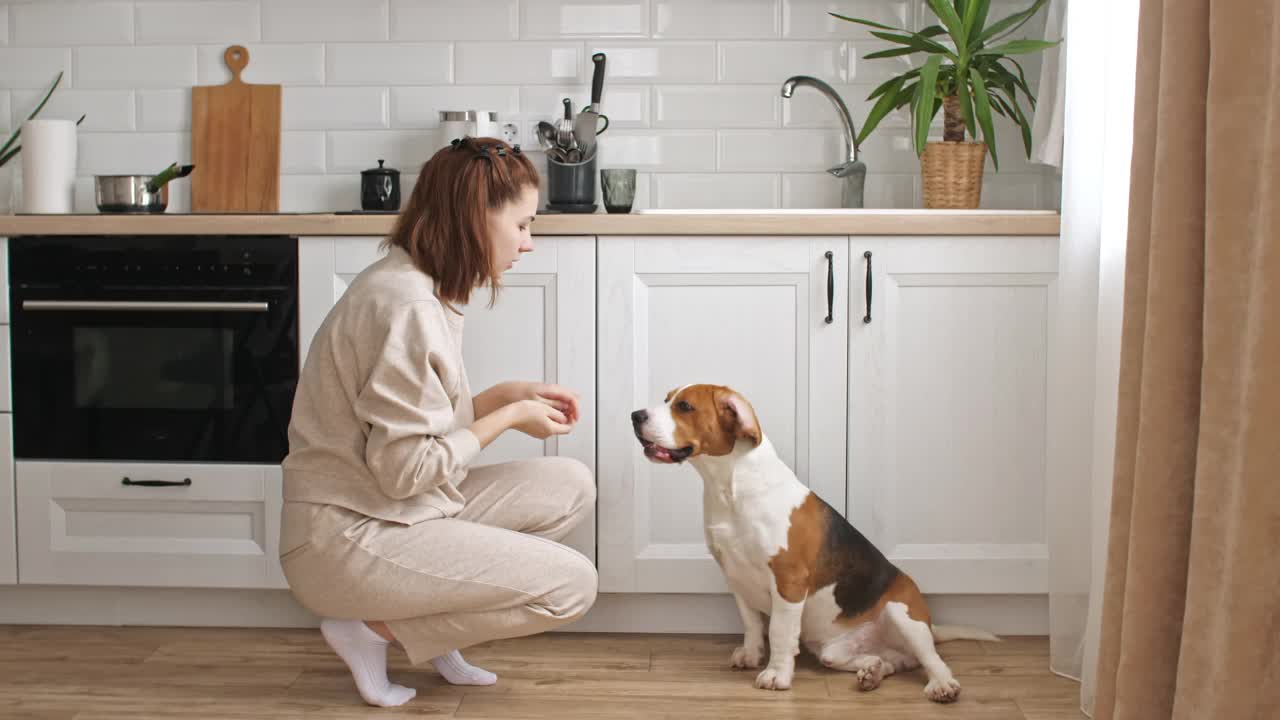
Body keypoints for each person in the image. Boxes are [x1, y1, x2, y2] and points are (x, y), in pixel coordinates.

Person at [278, 136, 598, 708]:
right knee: (572, 587)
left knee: (570, 485)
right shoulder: (408, 306)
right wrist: (509, 416)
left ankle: (427, 627)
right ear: (477, 218)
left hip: (388, 508)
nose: (529, 243)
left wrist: (504, 396)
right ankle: (369, 630)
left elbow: (406, 426)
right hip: (346, 534)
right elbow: (406, 469)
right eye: (522, 225)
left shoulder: (421, 284)